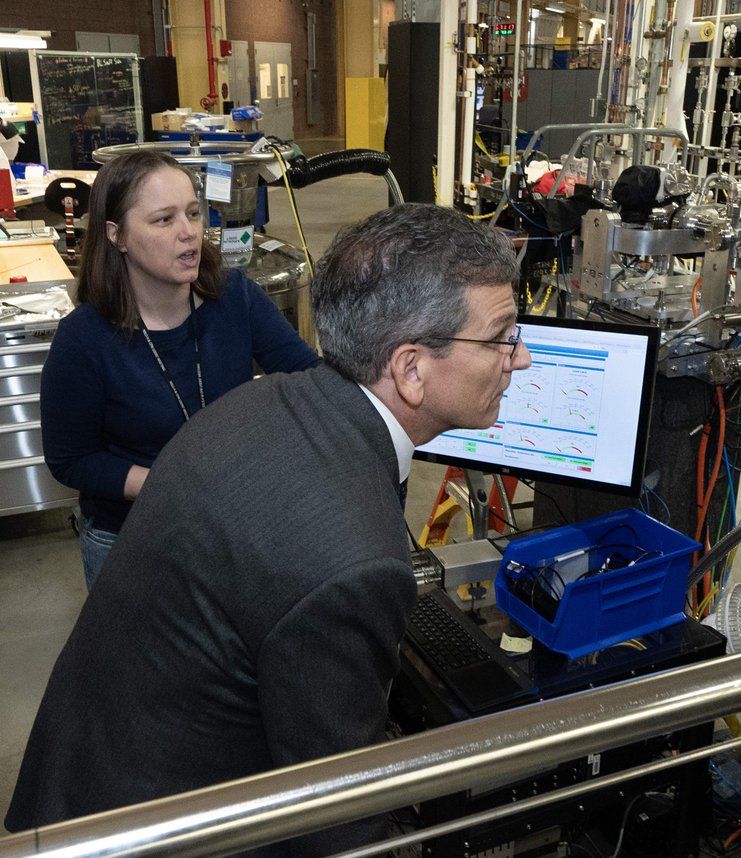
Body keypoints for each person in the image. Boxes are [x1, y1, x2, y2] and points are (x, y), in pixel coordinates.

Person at [5, 203, 530, 855]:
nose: (524, 358)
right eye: (503, 336)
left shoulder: (258, 404)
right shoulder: (353, 566)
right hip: (155, 833)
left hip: (74, 794)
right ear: (411, 369)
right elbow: (335, 817)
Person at [38, 150, 320, 589]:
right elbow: (71, 460)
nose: (189, 233)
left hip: (228, 526)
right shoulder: (84, 339)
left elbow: (309, 381)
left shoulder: (236, 299)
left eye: (193, 213)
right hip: (130, 540)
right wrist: (173, 486)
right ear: (118, 236)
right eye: (163, 220)